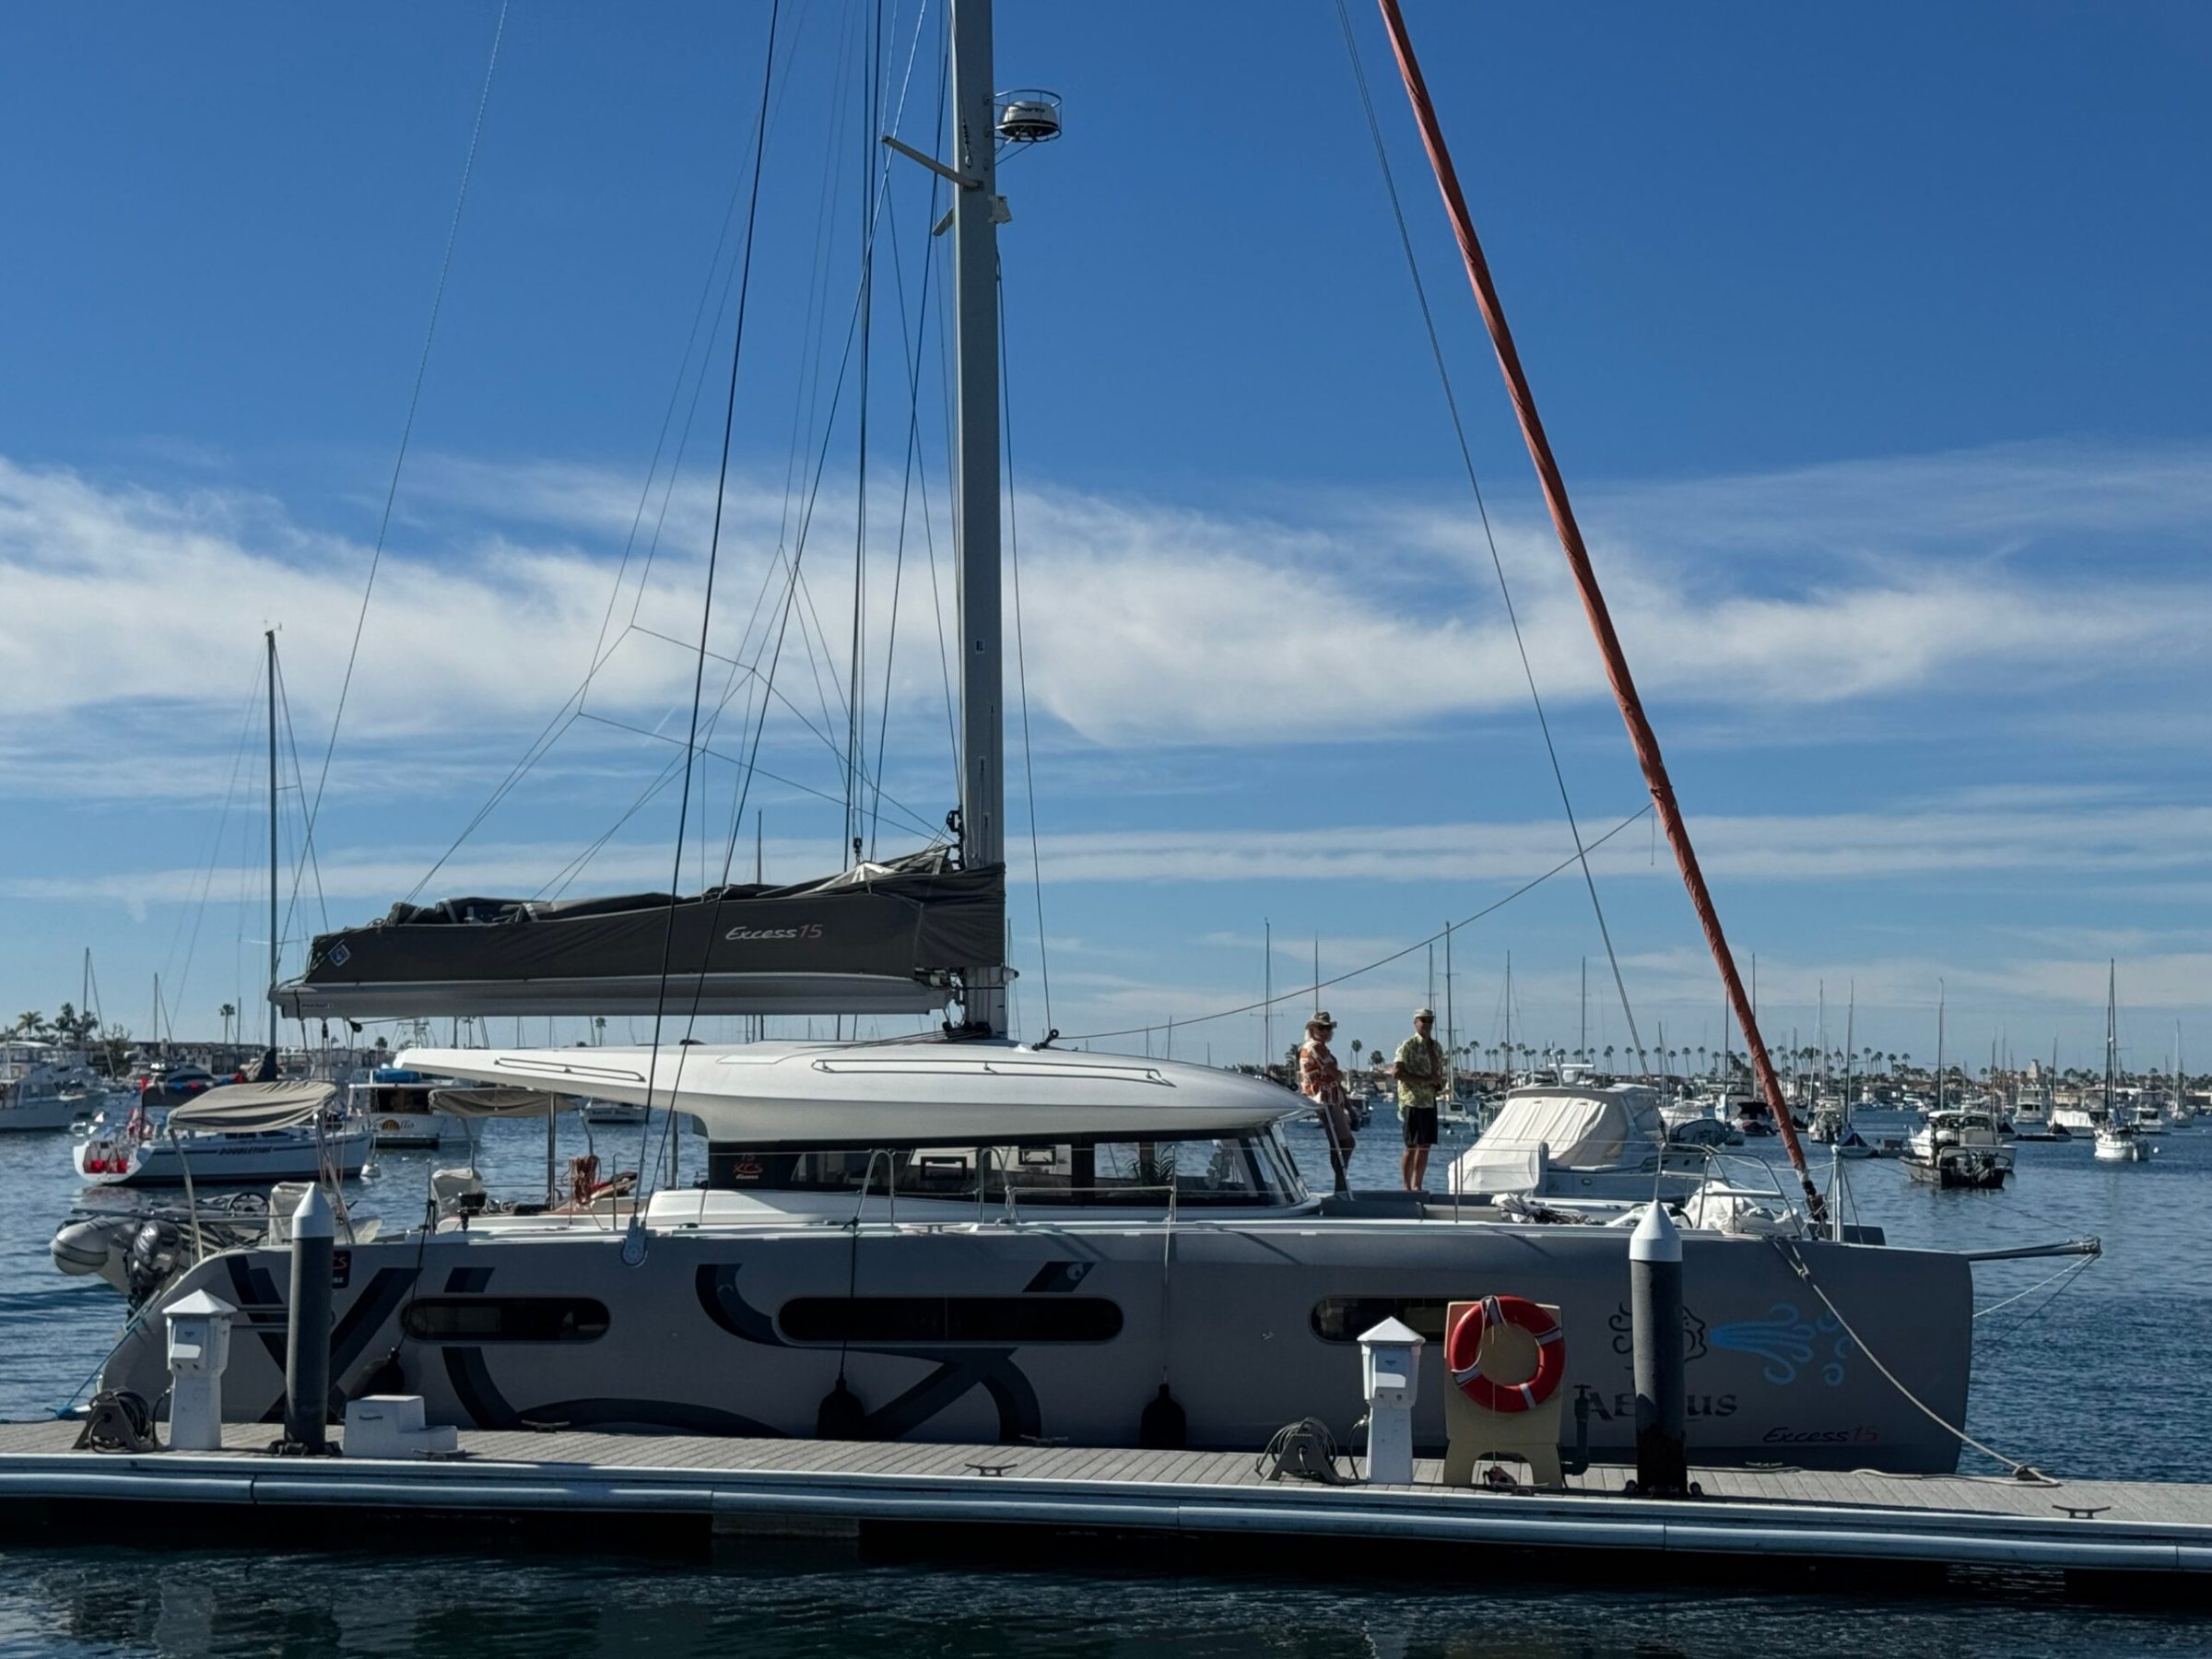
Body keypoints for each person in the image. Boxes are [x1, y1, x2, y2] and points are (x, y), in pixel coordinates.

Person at [1298, 1011, 1356, 1195]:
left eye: (1327, 1028)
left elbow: (1336, 1078)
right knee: (1344, 1142)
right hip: (1324, 1098)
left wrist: (1348, 1105)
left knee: (1340, 1142)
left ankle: (1340, 1180)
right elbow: (1334, 1073)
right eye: (1320, 1028)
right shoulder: (1316, 1047)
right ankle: (1340, 1182)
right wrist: (1339, 1075)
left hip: (1331, 1096)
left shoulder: (1316, 1047)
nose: (1324, 1031)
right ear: (1312, 1029)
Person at [1394, 1007, 1445, 1191]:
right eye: (1423, 1020)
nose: (1427, 1024)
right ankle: (1406, 1186)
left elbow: (1439, 1073)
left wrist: (1438, 1084)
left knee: (1425, 1145)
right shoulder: (1408, 1045)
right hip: (1412, 1100)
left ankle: (1418, 1185)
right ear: (1416, 1022)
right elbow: (1397, 1072)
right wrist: (1423, 1081)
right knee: (1411, 1144)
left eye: (1430, 1020)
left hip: (1429, 1101)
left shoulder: (1436, 1047)